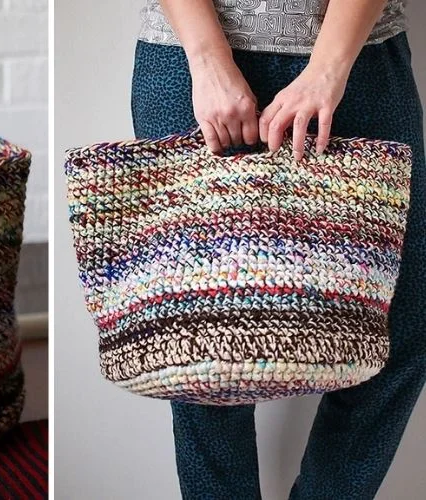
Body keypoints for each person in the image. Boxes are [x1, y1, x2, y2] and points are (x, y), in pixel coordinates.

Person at [132, 1, 424, 498]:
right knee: (199, 350)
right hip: (189, 61)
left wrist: (328, 67)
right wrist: (207, 60)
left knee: (402, 328)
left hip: (360, 63)